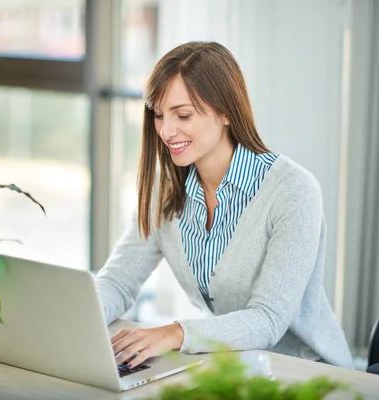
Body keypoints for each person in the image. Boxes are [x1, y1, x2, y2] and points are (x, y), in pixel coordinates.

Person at [95, 41, 354, 370]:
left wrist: (176, 333)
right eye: (159, 115)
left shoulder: (294, 191)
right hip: (231, 366)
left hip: (306, 370)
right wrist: (80, 316)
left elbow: (268, 319)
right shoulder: (166, 188)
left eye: (183, 115)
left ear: (226, 112)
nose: (165, 130)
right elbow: (118, 281)